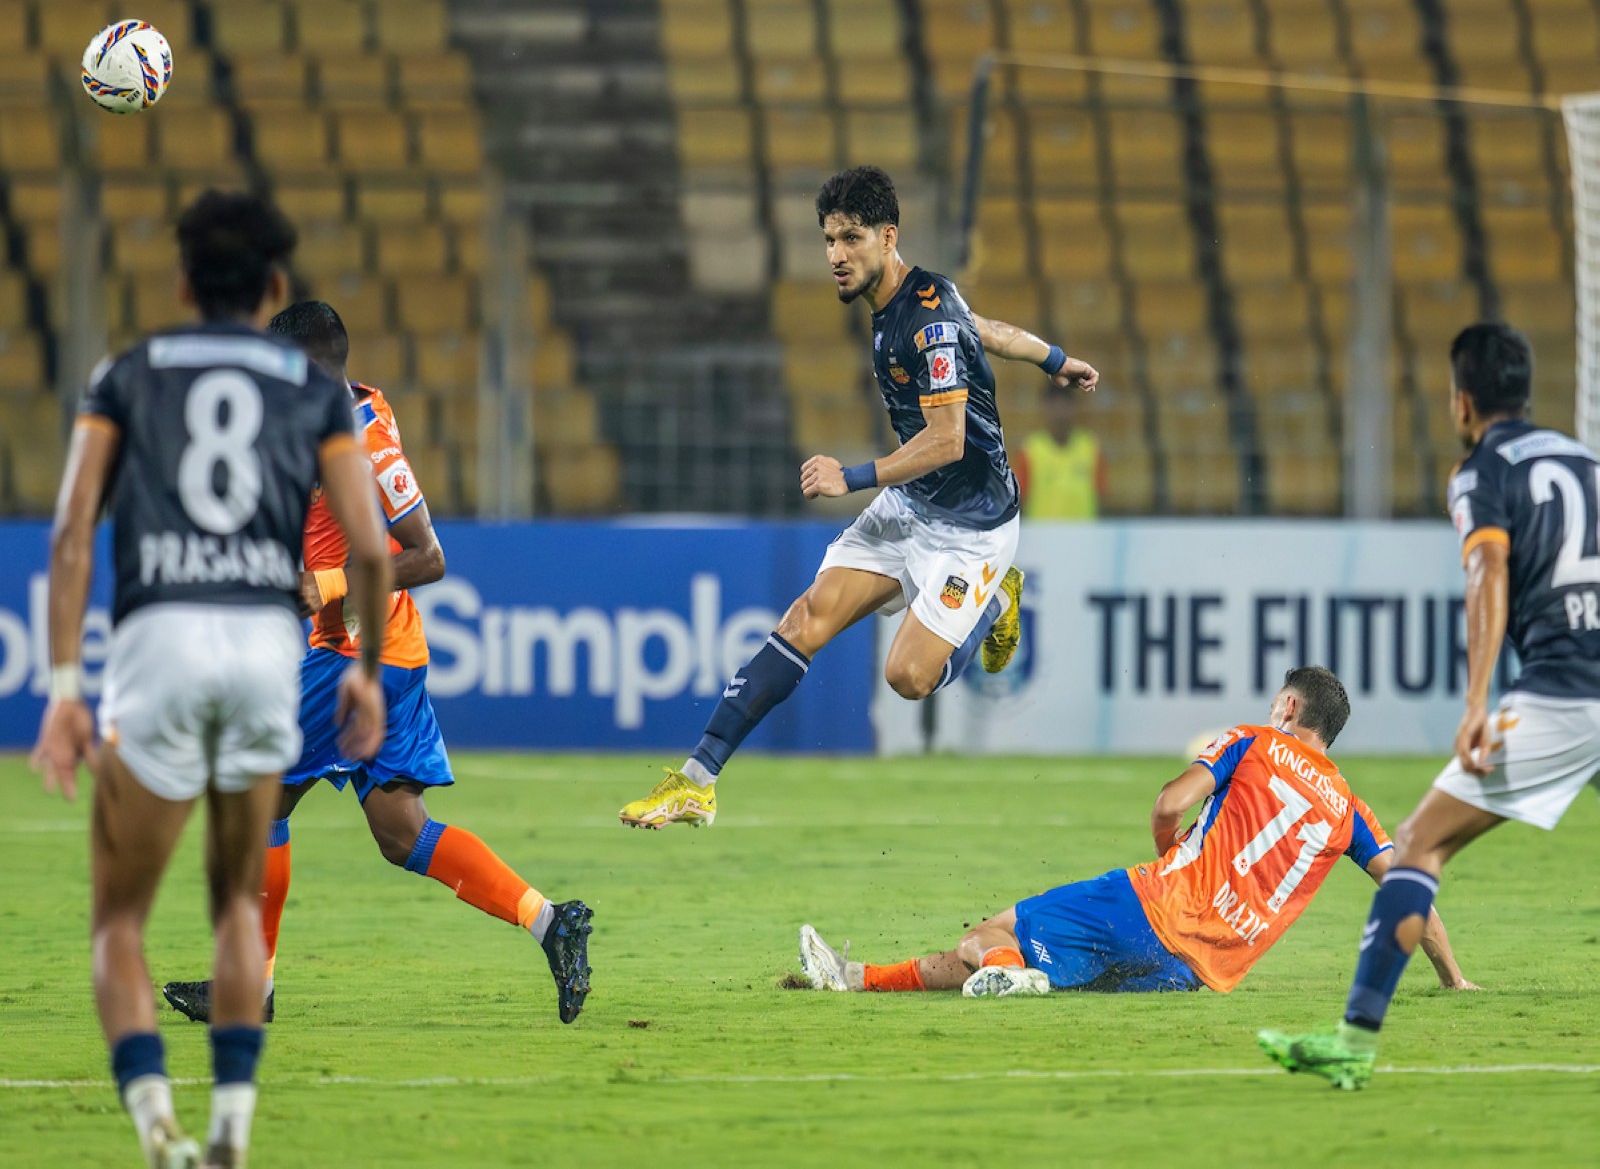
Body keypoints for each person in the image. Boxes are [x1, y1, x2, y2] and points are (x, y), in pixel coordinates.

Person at [29, 191, 393, 1169]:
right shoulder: (318, 394)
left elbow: (72, 532)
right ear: (273, 286)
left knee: (120, 919)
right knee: (237, 907)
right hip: (266, 646)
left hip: (160, 641)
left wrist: (66, 686)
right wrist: (360, 670)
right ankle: (231, 1127)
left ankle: (158, 1130)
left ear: (184, 284)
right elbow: (369, 545)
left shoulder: (127, 376)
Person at [619, 165, 1098, 829]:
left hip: (972, 528)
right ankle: (696, 782)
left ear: (888, 236)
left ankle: (993, 603)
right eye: (828, 240)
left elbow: (948, 440)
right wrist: (1054, 358)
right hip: (912, 507)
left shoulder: (924, 323)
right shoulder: (911, 303)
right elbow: (984, 328)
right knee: (805, 617)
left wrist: (854, 476)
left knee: (908, 678)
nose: (836, 256)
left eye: (850, 238)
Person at [161, 301, 593, 1028]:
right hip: (381, 651)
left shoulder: (368, 444)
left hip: (358, 654)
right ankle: (552, 922)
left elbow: (429, 556)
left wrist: (326, 586)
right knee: (401, 832)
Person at [1261, 322, 1597, 1090]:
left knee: (1415, 848)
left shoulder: (1483, 469)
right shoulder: (1586, 461)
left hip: (1562, 691)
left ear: (1463, 401)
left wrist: (1478, 698)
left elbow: (1487, 572)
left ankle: (1352, 1042)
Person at [797, 667, 1474, 1005]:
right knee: (1035, 969)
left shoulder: (1255, 740)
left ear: (1290, 707)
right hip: (1201, 970)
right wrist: (1453, 977)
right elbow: (1407, 890)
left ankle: (1001, 974)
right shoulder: (1349, 808)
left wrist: (1167, 849)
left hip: (1154, 905)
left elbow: (1167, 802)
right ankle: (854, 978)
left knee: (989, 935)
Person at [1014, 384, 1106, 519]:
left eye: (1065, 404)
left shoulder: (1091, 448)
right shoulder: (1030, 450)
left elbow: (1101, 496)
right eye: (1054, 405)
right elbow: (1019, 500)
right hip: (1042, 537)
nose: (1060, 412)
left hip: (1084, 536)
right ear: (1045, 406)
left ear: (1075, 406)